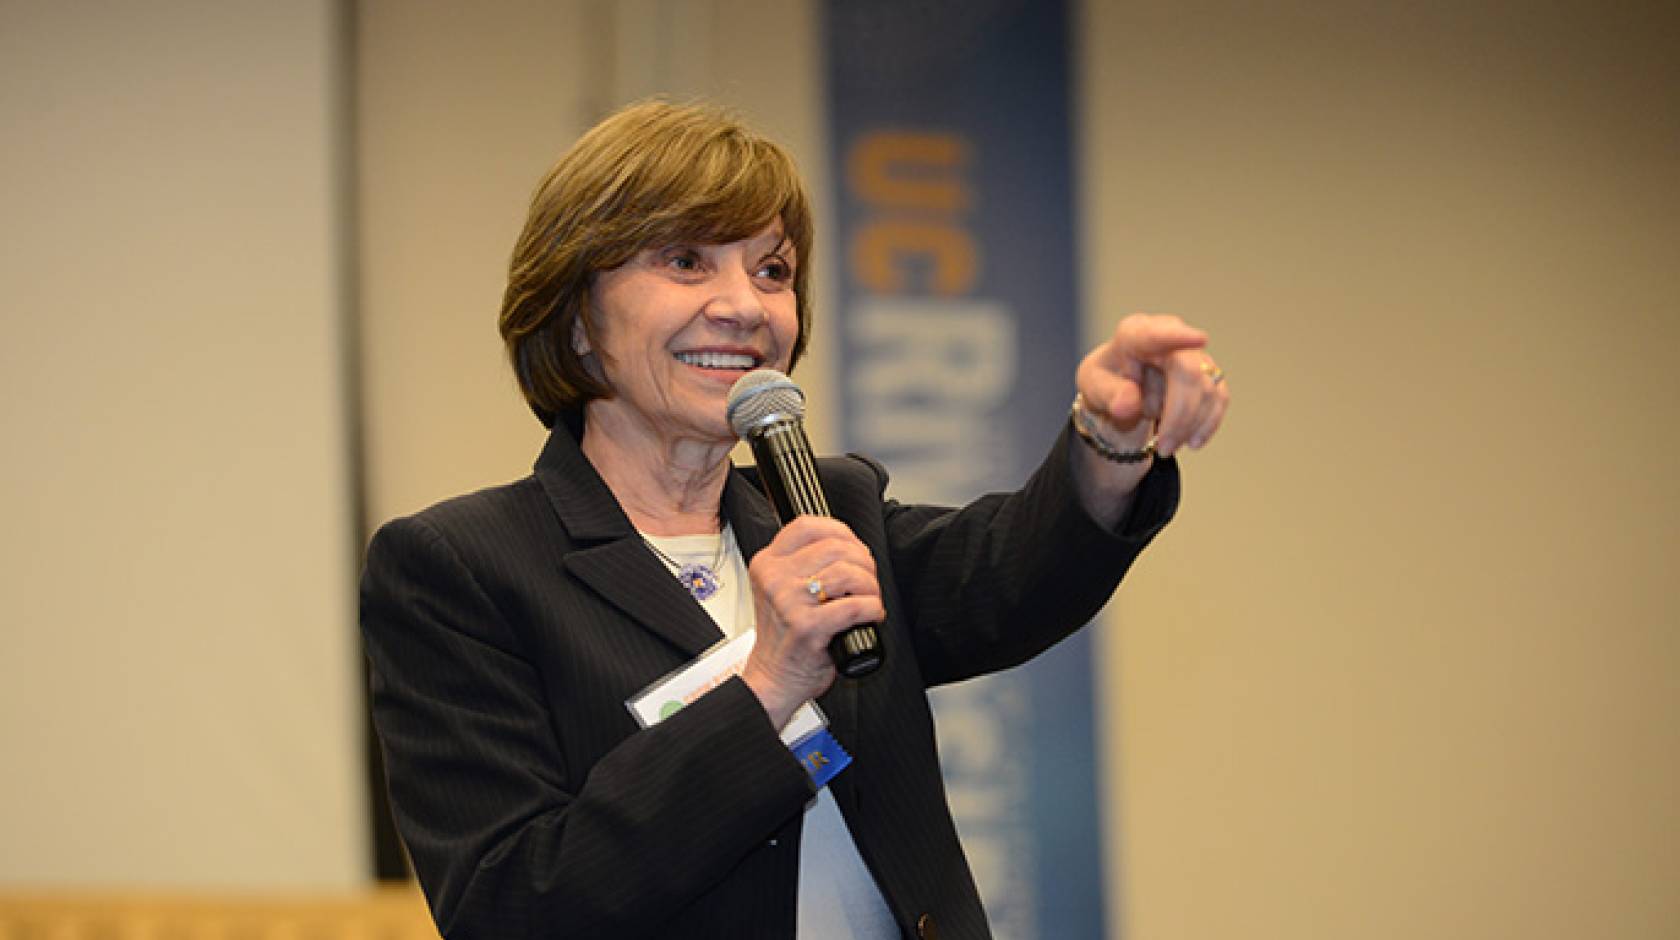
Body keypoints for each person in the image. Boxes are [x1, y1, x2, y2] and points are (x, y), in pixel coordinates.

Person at [360, 99, 1229, 940]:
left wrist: (1109, 437)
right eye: (687, 261)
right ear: (578, 315)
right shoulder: (463, 568)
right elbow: (511, 904)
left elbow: (1009, 576)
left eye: (772, 271)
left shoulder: (829, 510)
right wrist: (766, 686)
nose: (745, 306)